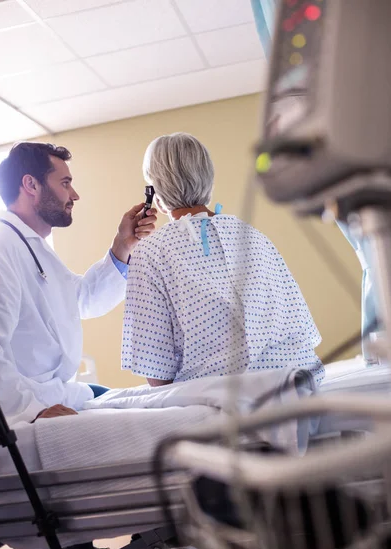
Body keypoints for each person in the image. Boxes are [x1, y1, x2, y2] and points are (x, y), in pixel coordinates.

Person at [122, 132, 324, 386]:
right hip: (301, 381)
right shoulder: (255, 236)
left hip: (222, 398)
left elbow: (157, 372)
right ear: (208, 179)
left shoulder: (149, 253)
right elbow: (303, 330)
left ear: (155, 191)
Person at [0, 142, 157, 426]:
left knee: (152, 404)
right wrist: (32, 411)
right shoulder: (1, 247)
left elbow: (82, 299)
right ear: (31, 184)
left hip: (58, 393)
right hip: (27, 405)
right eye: (65, 183)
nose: (74, 195)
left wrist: (123, 246)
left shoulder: (33, 248)